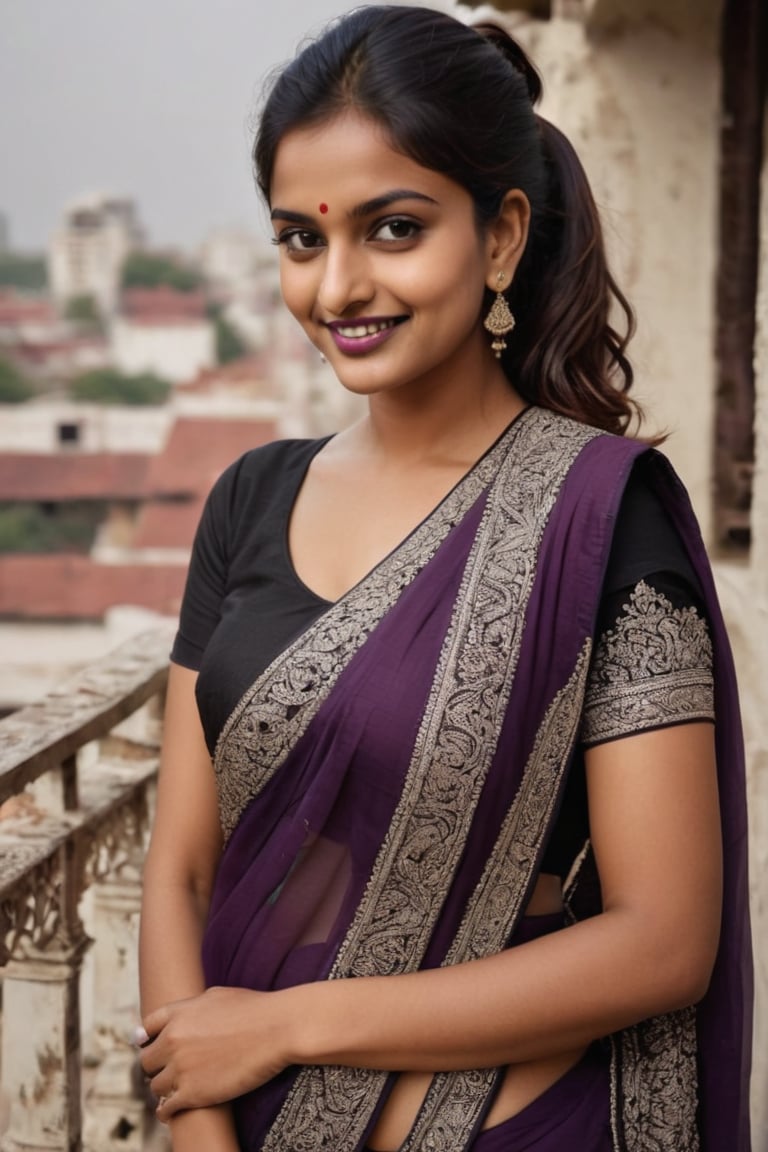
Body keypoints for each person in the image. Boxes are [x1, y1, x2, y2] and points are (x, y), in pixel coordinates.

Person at [137, 7, 752, 1151]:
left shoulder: (599, 522)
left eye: (395, 229)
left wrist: (286, 1031)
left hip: (500, 1124)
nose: (337, 289)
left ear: (503, 236)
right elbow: (177, 868)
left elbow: (666, 940)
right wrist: (200, 1120)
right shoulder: (249, 501)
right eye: (301, 240)